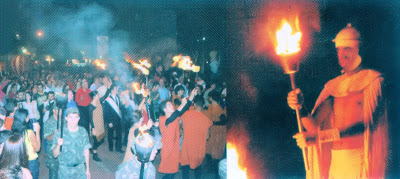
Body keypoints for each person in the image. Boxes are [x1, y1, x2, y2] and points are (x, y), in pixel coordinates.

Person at [288, 23, 388, 178]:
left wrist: (321, 137)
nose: (341, 54)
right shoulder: (333, 86)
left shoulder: (373, 81)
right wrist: (300, 107)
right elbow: (315, 125)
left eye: (346, 48)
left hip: (358, 161)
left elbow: (366, 125)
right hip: (336, 162)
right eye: (338, 49)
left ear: (359, 49)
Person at [158, 88, 197, 179]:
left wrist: (191, 96)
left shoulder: (174, 117)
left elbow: (184, 109)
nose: (172, 106)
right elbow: (173, 117)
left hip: (174, 149)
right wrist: (182, 103)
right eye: (169, 105)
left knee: (172, 173)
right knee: (170, 173)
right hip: (167, 149)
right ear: (165, 109)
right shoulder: (163, 119)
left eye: (171, 105)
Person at [52, 107, 91, 179]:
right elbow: (54, 155)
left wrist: (87, 169)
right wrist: (58, 145)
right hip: (65, 171)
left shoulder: (83, 132)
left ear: (79, 118)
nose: (73, 120)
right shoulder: (60, 133)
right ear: (66, 118)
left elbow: (86, 151)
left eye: (75, 117)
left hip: (80, 170)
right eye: (70, 117)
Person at [180, 97, 213, 179]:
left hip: (187, 146)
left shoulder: (186, 114)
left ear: (194, 104)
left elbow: (180, 124)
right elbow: (207, 137)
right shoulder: (207, 120)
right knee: (198, 167)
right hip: (198, 148)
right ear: (204, 105)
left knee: (185, 167)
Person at [11, 108, 40, 179]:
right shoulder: (29, 133)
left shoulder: (12, 131)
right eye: (28, 116)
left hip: (18, 161)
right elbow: (37, 148)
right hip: (30, 161)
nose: (29, 117)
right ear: (25, 118)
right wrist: (38, 131)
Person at [103, 84, 123, 153]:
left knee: (119, 134)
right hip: (111, 120)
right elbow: (107, 112)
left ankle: (118, 148)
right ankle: (110, 147)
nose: (117, 90)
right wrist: (109, 121)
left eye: (117, 89)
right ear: (112, 91)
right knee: (110, 134)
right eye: (115, 89)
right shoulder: (108, 100)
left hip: (118, 119)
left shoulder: (118, 97)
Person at [88, 90, 105, 162]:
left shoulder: (98, 102)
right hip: (95, 125)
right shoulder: (91, 106)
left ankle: (92, 149)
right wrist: (93, 128)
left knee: (102, 139)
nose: (99, 96)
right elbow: (90, 118)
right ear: (94, 96)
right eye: (97, 95)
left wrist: (109, 88)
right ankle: (94, 153)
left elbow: (105, 97)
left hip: (100, 124)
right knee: (97, 140)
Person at [44, 108, 59, 179]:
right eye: (58, 110)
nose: (60, 112)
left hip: (62, 151)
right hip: (52, 151)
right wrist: (54, 134)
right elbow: (47, 137)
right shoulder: (48, 122)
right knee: (53, 174)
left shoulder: (64, 121)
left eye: (61, 110)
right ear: (54, 110)